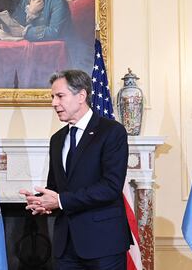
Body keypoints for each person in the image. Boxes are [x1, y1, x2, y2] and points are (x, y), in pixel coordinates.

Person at [20, 69, 131, 269]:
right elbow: (56, 187)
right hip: (66, 246)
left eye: (60, 96)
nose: (54, 103)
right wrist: (42, 201)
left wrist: (60, 201)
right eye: (53, 97)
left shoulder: (112, 132)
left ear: (81, 96)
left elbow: (110, 187)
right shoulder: (57, 139)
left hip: (103, 244)